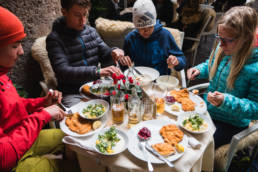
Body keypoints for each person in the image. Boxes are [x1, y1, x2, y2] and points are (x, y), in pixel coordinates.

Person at [0, 7, 66, 172]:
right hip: (10, 160)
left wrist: (42, 102)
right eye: (15, 46)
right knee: (62, 165)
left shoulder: (2, 75)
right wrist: (42, 116)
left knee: (69, 138)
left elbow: (12, 106)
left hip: (22, 136)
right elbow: (3, 157)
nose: (22, 51)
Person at [187, 6, 258, 149]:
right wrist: (199, 70)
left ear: (246, 38)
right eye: (219, 37)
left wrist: (226, 101)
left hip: (230, 125)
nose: (220, 44)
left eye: (227, 40)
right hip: (208, 111)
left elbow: (255, 109)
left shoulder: (254, 69)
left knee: (197, 144)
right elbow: (211, 64)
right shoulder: (223, 49)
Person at [46, 0, 124, 107]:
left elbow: (106, 56)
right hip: (72, 93)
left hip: (96, 88)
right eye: (77, 15)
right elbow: (62, 71)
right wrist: (97, 72)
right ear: (64, 12)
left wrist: (115, 52)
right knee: (84, 118)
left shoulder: (91, 32)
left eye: (85, 14)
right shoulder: (54, 39)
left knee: (121, 102)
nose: (82, 20)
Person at [120, 0, 186, 75]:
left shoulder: (165, 35)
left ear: (154, 23)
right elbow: (124, 68)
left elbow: (182, 62)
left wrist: (177, 61)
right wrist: (123, 61)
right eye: (141, 28)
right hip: (139, 79)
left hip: (160, 81)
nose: (146, 31)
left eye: (150, 27)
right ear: (136, 26)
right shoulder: (130, 38)